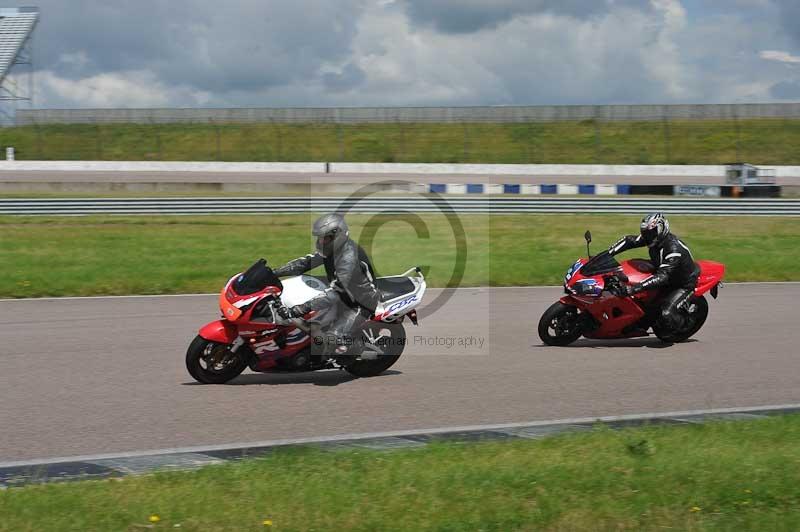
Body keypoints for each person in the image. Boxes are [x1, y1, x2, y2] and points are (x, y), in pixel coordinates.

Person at [272, 213, 381, 357]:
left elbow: (335, 293)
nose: (321, 242)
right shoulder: (332, 250)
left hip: (359, 302)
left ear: (338, 236)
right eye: (320, 238)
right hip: (341, 292)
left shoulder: (348, 258)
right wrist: (273, 273)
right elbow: (304, 263)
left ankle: (352, 352)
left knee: (331, 339)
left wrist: (298, 309)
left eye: (326, 238)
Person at [607, 212, 700, 330]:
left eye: (650, 233)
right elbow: (629, 240)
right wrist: (607, 254)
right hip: (664, 272)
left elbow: (662, 277)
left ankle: (683, 324)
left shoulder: (673, 249)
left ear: (661, 229)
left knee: (665, 314)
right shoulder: (652, 238)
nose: (647, 237)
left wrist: (633, 289)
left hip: (682, 283)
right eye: (645, 233)